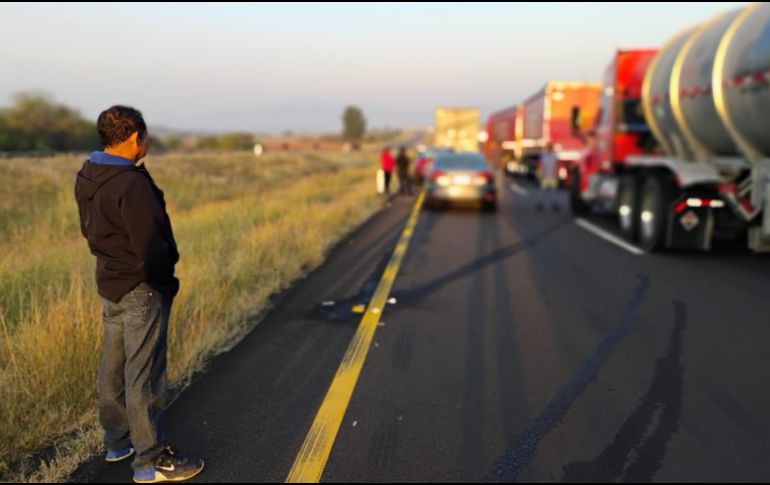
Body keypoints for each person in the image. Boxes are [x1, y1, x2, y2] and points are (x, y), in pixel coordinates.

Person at [75, 106, 204, 483]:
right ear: (134, 137)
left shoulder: (88, 174)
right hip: (140, 288)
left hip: (110, 282)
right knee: (143, 376)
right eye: (144, 137)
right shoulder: (131, 184)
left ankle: (118, 442)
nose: (146, 144)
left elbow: (89, 229)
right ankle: (150, 461)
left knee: (112, 368)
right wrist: (164, 282)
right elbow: (151, 247)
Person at [537, 142, 560, 212]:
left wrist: (557, 175)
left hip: (552, 176)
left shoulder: (554, 156)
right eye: (549, 147)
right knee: (543, 191)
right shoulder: (544, 156)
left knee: (553, 192)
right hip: (545, 176)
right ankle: (541, 204)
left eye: (550, 147)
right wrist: (540, 174)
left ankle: (553, 204)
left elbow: (556, 166)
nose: (550, 148)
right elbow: (540, 165)